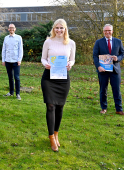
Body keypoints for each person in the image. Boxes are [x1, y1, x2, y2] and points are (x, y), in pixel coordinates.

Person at [41, 19, 76, 152]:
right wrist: (46, 64)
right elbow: (43, 58)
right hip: (49, 78)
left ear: (65, 29)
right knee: (50, 106)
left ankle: (56, 134)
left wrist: (70, 65)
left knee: (60, 107)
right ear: (53, 29)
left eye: (61, 28)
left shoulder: (71, 43)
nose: (59, 30)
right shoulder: (48, 41)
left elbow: (72, 59)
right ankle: (51, 138)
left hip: (63, 78)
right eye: (57, 28)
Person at [93, 24, 124, 115]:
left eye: (109, 30)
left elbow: (122, 54)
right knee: (103, 89)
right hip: (103, 70)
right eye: (106, 31)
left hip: (115, 70)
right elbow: (95, 56)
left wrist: (117, 58)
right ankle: (104, 108)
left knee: (117, 90)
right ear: (103, 32)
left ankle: (119, 109)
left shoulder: (118, 42)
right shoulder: (98, 42)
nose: (107, 32)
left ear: (112, 31)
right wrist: (98, 66)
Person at [2, 24, 23, 100]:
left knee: (16, 77)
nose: (11, 29)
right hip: (7, 60)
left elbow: (20, 49)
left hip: (16, 61)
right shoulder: (6, 38)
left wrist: (19, 59)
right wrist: (3, 60)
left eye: (12, 28)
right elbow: (4, 49)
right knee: (10, 77)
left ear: (15, 29)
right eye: (10, 28)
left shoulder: (18, 38)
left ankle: (18, 94)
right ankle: (11, 92)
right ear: (8, 29)